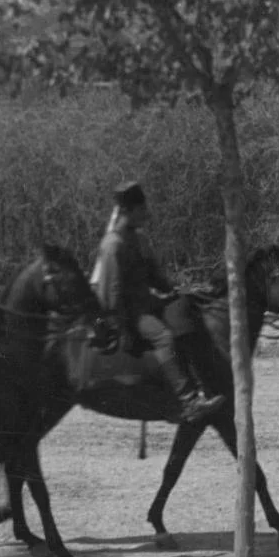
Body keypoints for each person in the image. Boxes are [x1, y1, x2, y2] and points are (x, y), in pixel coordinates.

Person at [91, 181, 225, 424]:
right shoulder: (112, 245)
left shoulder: (139, 239)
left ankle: (203, 382)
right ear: (127, 212)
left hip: (148, 303)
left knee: (186, 317)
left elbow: (154, 275)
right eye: (141, 210)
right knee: (163, 336)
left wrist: (177, 291)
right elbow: (110, 294)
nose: (146, 214)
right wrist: (121, 327)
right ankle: (188, 400)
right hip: (129, 313)